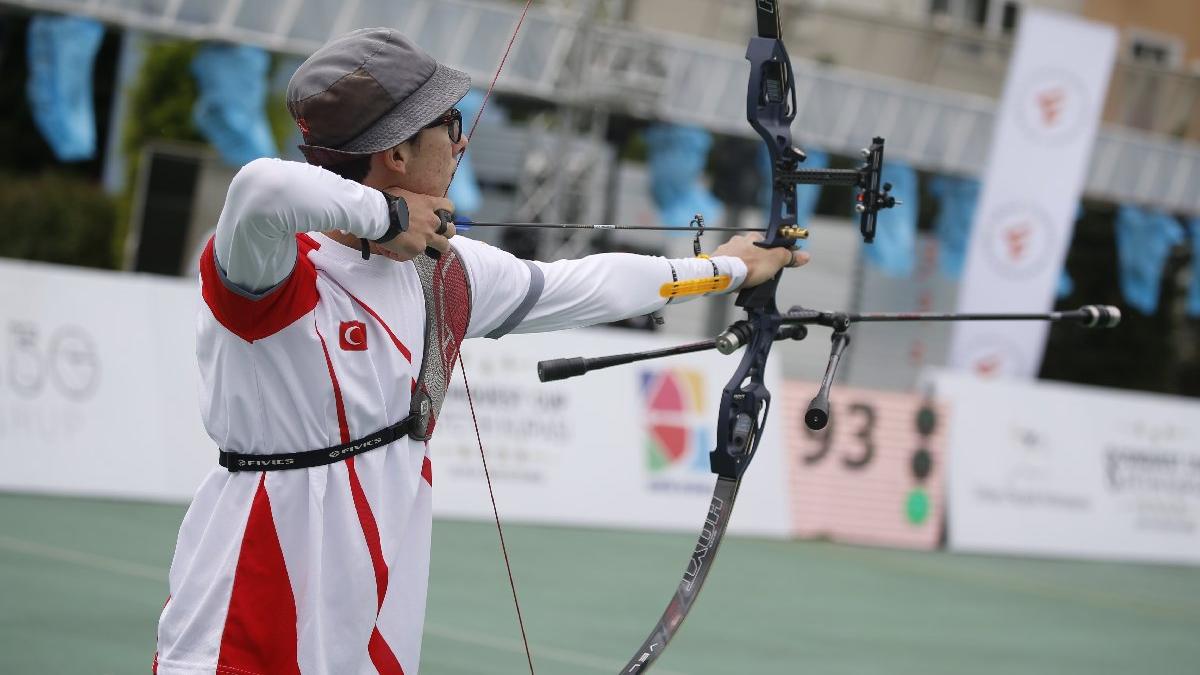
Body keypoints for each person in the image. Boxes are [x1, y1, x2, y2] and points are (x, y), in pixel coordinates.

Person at [154, 27, 806, 675]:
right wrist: (385, 218)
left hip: (360, 628)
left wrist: (722, 268)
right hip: (240, 625)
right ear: (399, 154)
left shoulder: (447, 272)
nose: (462, 140)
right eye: (449, 122)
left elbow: (588, 284)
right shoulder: (275, 269)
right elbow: (261, 189)